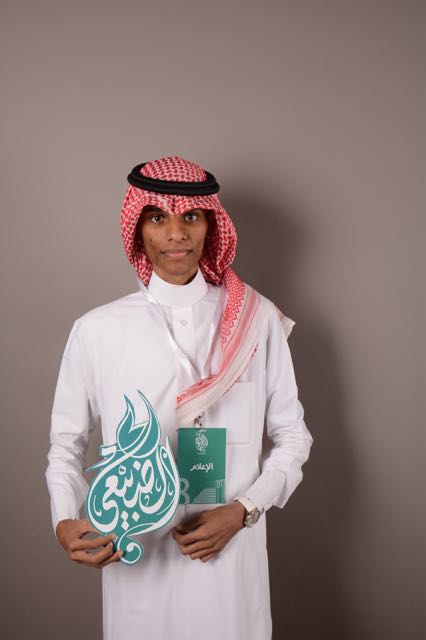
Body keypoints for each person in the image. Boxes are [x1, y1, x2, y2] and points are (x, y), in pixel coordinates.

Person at [46, 156, 314, 640]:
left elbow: (293, 437)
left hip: (232, 560)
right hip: (138, 560)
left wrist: (245, 510)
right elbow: (66, 446)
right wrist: (65, 519)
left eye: (191, 216)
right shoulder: (97, 331)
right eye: (157, 218)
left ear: (211, 226)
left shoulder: (257, 321)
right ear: (138, 230)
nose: (176, 233)